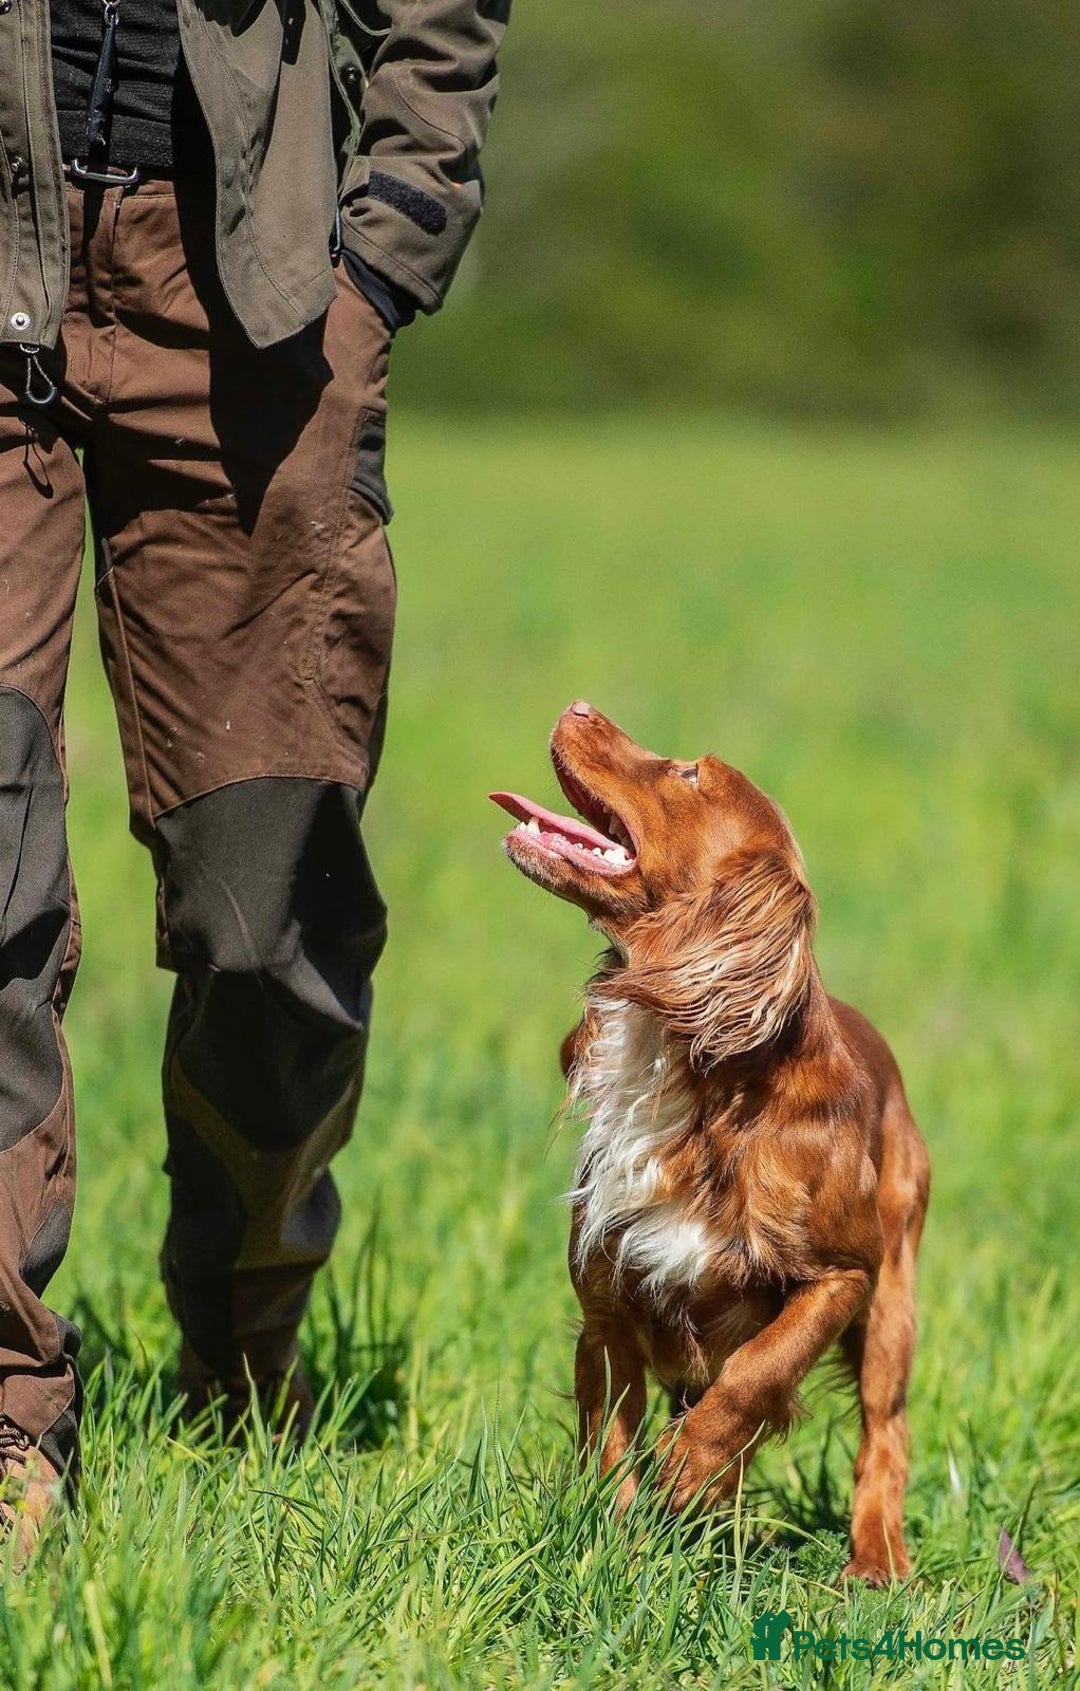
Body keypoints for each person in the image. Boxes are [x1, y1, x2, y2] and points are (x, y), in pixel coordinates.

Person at [0, 0, 509, 1551]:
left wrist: (375, 272)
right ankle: (9, 1422)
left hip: (250, 300)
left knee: (266, 917)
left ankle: (243, 1341)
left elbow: (436, 21)